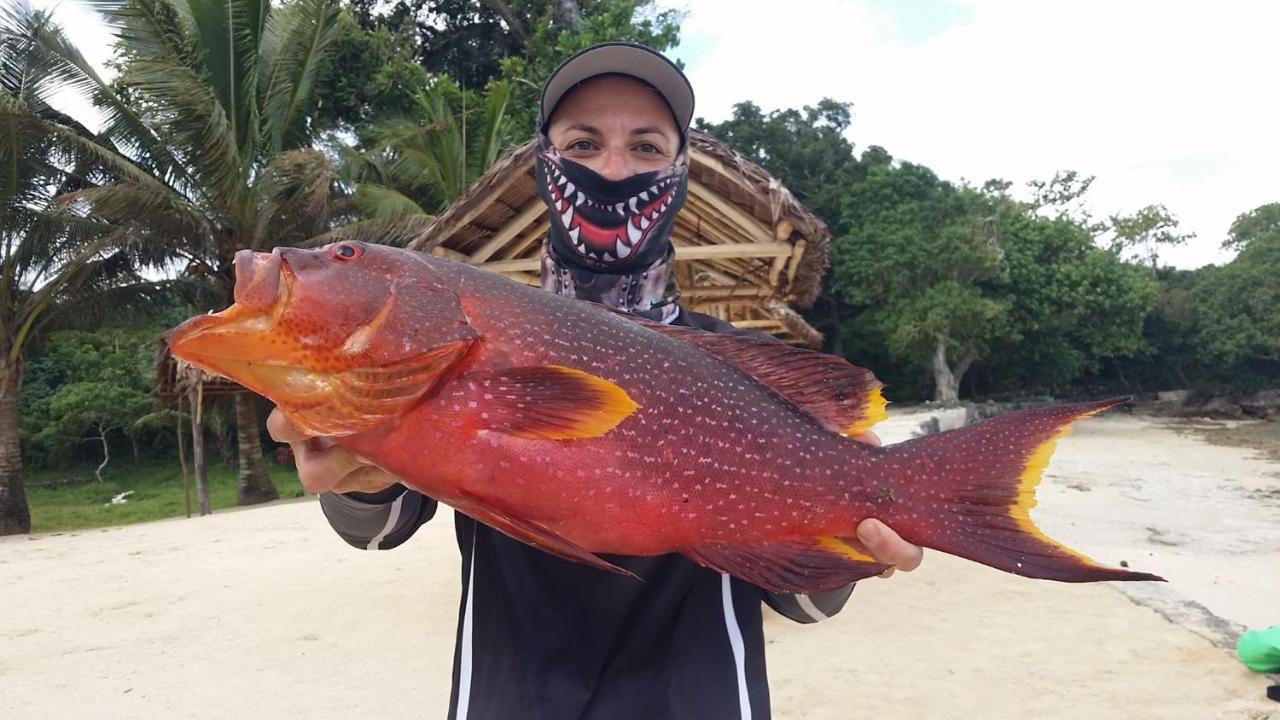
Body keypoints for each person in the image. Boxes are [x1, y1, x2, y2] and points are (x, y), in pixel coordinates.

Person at [268, 43, 923, 720]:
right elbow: (378, 529)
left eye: (645, 147)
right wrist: (357, 469)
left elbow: (805, 601)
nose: (613, 170)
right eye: (583, 144)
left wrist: (866, 533)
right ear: (545, 165)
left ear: (680, 171)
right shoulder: (465, 331)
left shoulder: (747, 367)